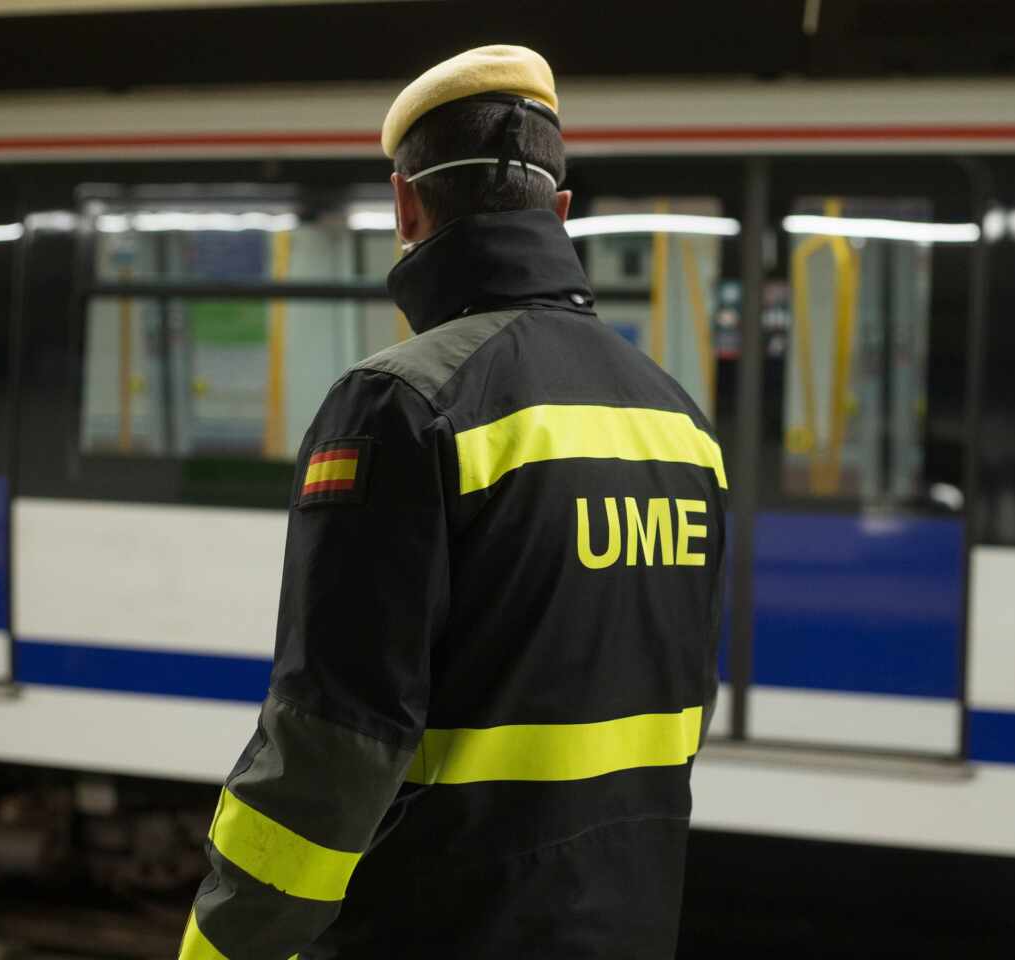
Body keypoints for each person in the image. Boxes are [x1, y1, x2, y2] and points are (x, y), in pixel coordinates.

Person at [178, 44, 727, 960]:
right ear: (559, 210)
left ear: (406, 206)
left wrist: (223, 944)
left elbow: (332, 741)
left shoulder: (402, 404)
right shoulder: (679, 421)